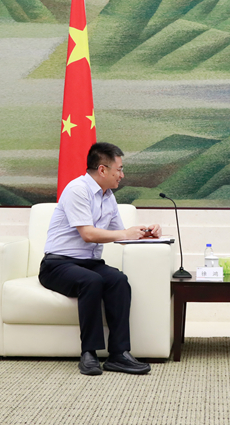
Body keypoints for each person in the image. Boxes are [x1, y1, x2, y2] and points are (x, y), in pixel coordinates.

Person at [40, 142, 162, 376]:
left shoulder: (108, 197)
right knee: (91, 281)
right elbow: (88, 234)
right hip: (57, 265)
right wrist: (126, 234)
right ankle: (89, 353)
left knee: (118, 280)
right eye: (119, 169)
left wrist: (147, 233)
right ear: (103, 170)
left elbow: (120, 235)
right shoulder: (77, 189)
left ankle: (119, 354)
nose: (122, 175)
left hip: (89, 264)